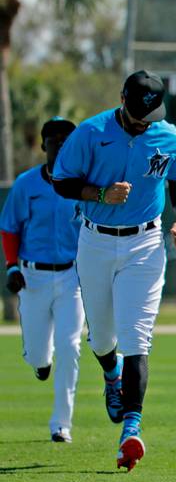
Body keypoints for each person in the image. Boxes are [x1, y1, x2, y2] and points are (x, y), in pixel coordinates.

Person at [53, 71, 176, 470]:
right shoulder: (91, 132)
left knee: (137, 337)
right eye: (136, 114)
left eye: (150, 115)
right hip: (95, 240)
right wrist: (99, 194)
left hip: (145, 244)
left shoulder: (169, 136)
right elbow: (62, 182)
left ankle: (130, 429)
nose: (143, 121)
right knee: (100, 338)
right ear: (122, 100)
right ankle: (110, 374)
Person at [1, 118, 83, 442]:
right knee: (38, 354)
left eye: (67, 141)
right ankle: (40, 361)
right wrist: (11, 266)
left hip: (72, 275)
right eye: (55, 140)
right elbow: (9, 227)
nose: (61, 145)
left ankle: (61, 424)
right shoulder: (27, 184)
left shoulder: (84, 186)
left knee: (70, 345)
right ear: (43, 145)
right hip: (33, 276)